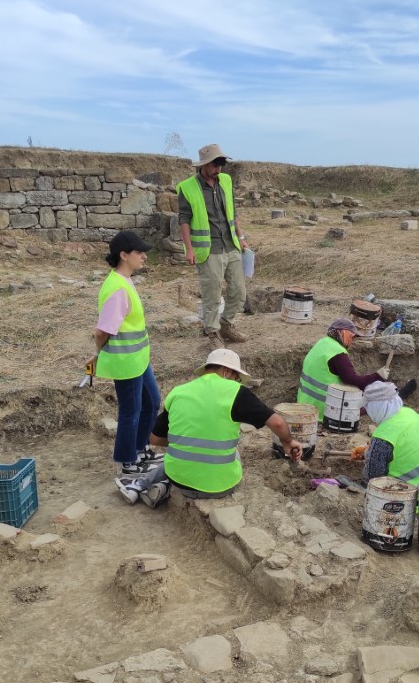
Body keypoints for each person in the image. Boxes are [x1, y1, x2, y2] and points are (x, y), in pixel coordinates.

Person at [115, 349, 303, 506]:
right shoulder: (236, 393)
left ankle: (147, 485)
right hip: (220, 487)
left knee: (180, 453)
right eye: (236, 377)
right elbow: (277, 423)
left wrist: (183, 442)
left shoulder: (178, 392)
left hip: (179, 481)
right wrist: (288, 441)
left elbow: (155, 439)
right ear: (227, 371)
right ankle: (158, 486)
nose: (235, 382)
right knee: (232, 453)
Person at [87, 230, 162, 478]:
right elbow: (102, 331)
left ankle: (140, 449)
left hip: (138, 359)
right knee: (131, 411)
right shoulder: (118, 289)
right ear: (123, 255)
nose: (144, 257)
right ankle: (128, 461)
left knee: (151, 403)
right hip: (126, 362)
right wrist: (97, 355)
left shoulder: (125, 281)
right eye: (139, 252)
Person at [177, 143, 250, 350]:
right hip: (208, 251)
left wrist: (241, 236)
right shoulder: (188, 187)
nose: (220, 168)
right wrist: (189, 249)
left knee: (238, 292)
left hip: (231, 245)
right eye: (216, 164)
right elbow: (183, 219)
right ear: (205, 164)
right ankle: (212, 333)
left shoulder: (225, 181)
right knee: (212, 295)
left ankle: (226, 326)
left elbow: (233, 212)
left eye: (222, 164)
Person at [297, 318, 391, 419]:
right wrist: (377, 376)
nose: (351, 342)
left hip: (304, 405)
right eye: (351, 336)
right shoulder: (337, 352)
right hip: (324, 410)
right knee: (368, 406)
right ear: (343, 332)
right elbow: (352, 381)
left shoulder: (322, 343)